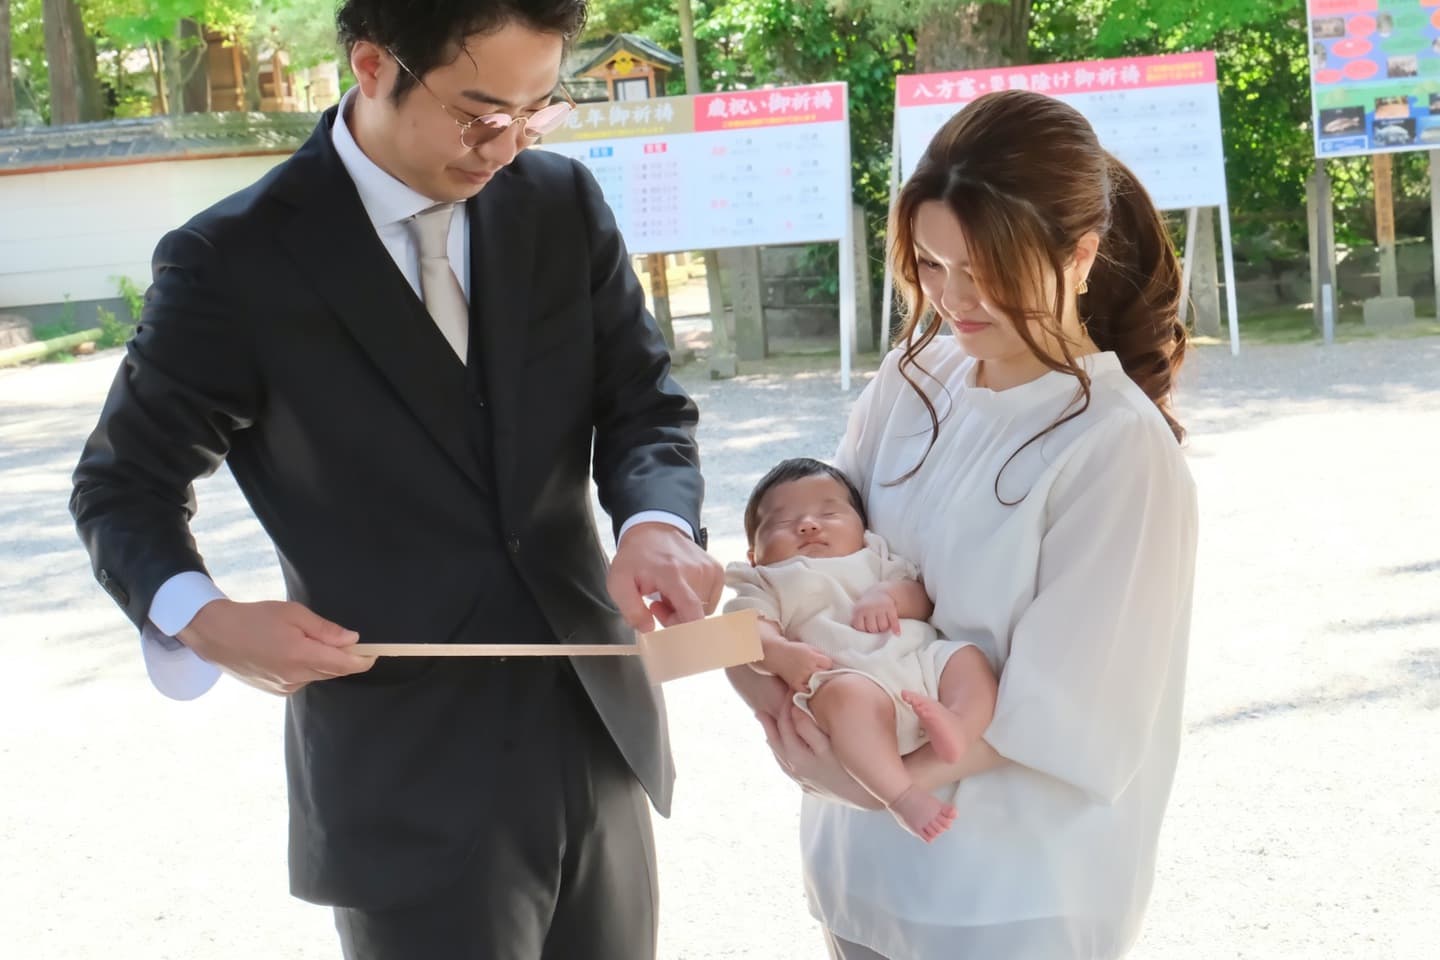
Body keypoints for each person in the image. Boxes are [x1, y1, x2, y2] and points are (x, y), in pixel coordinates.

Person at [69, 1, 724, 958]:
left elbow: (644, 406)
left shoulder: (560, 204)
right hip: (406, 768)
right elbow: (122, 485)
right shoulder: (236, 260)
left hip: (594, 722)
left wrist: (656, 523)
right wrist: (205, 618)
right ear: (373, 65)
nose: (505, 145)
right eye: (479, 112)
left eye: (537, 111)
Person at [729, 88, 1199, 959]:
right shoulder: (913, 382)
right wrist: (777, 701)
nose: (955, 297)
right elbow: (829, 572)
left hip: (1006, 896)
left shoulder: (1116, 447)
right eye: (934, 265)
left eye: (986, 270)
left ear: (1082, 255)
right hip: (860, 872)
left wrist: (889, 781)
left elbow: (1076, 706)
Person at [724, 457, 997, 842]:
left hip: (919, 670)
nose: (808, 524)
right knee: (848, 695)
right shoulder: (765, 582)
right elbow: (746, 631)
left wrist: (889, 596)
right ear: (754, 553)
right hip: (849, 688)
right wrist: (780, 652)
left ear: (862, 527)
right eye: (783, 522)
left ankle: (958, 725)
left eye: (829, 512)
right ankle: (902, 795)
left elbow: (922, 600)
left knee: (965, 658)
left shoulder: (876, 559)